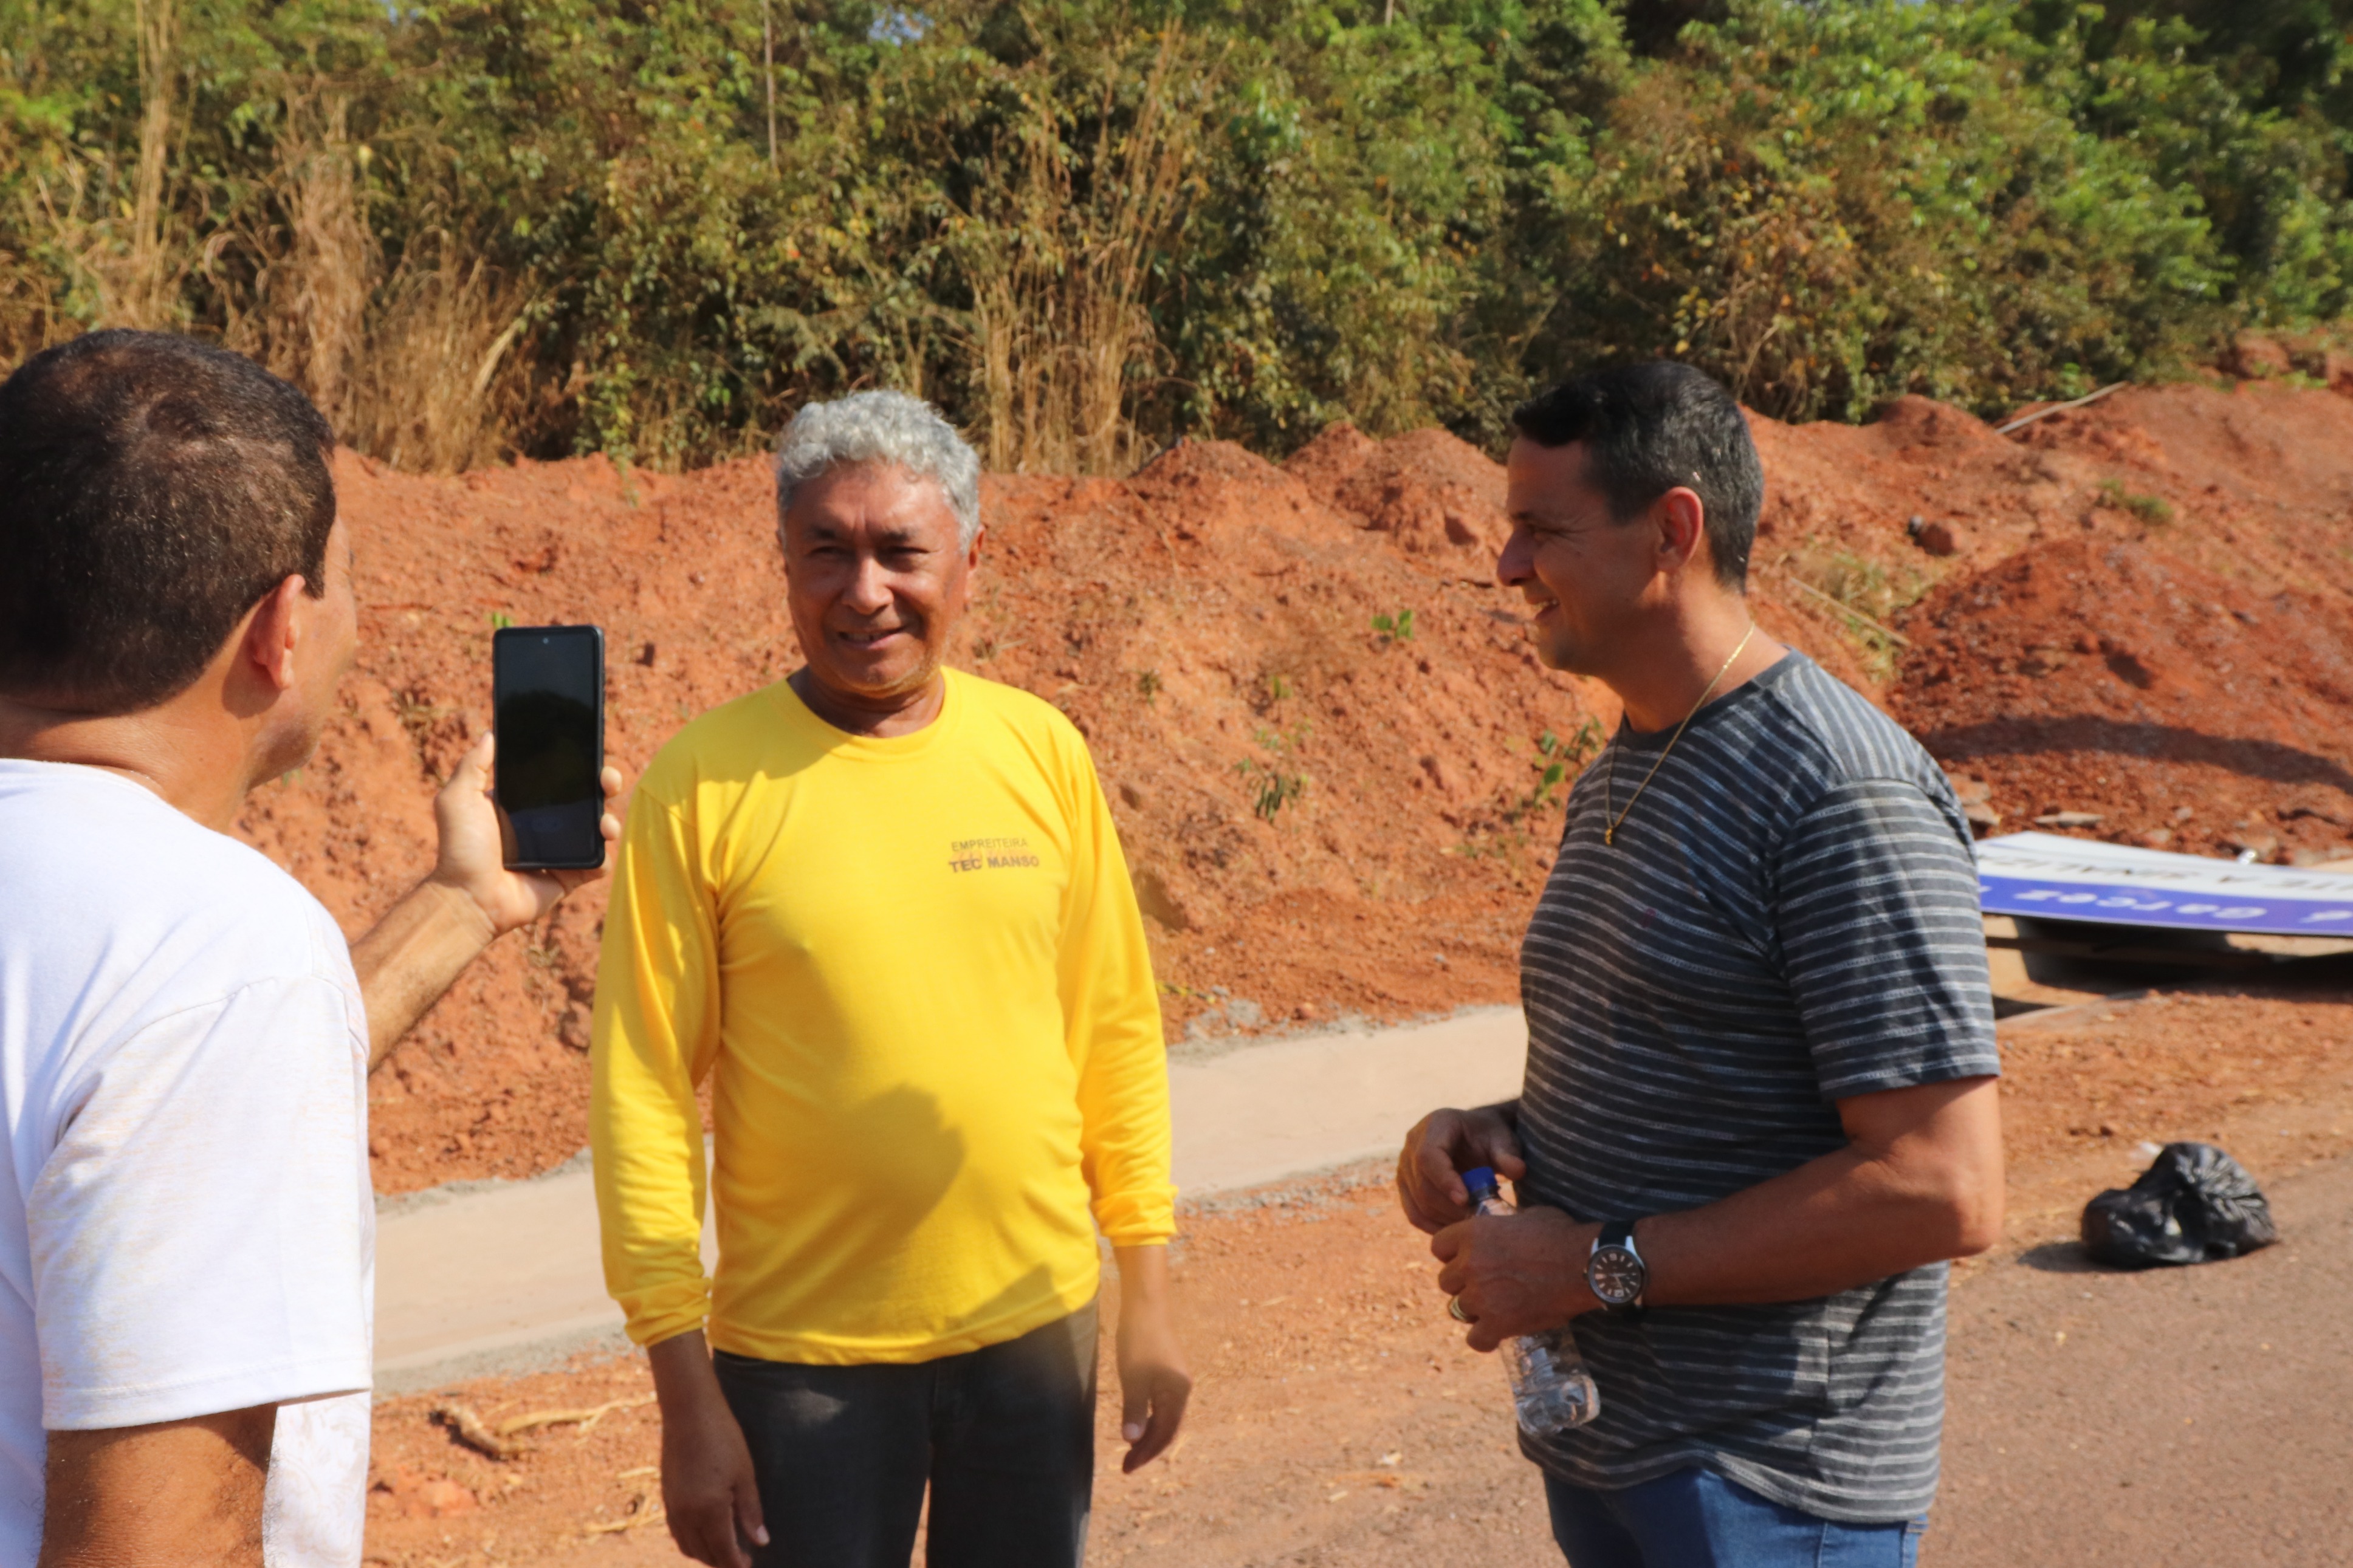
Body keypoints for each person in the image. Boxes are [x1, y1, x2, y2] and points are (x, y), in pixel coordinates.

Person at [0, 330, 617, 1566]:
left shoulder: (158, 955)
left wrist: (460, 904)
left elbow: (125, 1093)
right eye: (345, 579)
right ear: (280, 628)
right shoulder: (217, 951)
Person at [1396, 361, 2004, 1567]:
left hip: (1771, 1484)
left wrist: (1590, 1266)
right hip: (1625, 1457)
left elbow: (1943, 1184)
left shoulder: (1839, 791)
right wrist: (1497, 1131)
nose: (1506, 565)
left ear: (1673, 531)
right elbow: (1696, 1056)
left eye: (1542, 530)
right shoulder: (1623, 769)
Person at [591, 389, 1189, 1568]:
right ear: (784, 562)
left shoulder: (1041, 754)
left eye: (901, 552)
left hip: (1036, 1337)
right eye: (827, 551)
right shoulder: (701, 785)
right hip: (802, 1369)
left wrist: (1149, 1298)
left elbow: (1113, 1033)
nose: (864, 591)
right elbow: (643, 1092)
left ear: (970, 558)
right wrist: (683, 1389)